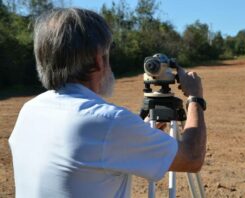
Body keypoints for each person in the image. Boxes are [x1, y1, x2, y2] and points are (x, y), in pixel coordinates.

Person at [9, 8, 206, 198]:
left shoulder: (29, 110)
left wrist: (137, 133)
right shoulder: (108, 122)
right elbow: (192, 157)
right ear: (98, 59)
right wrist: (195, 97)